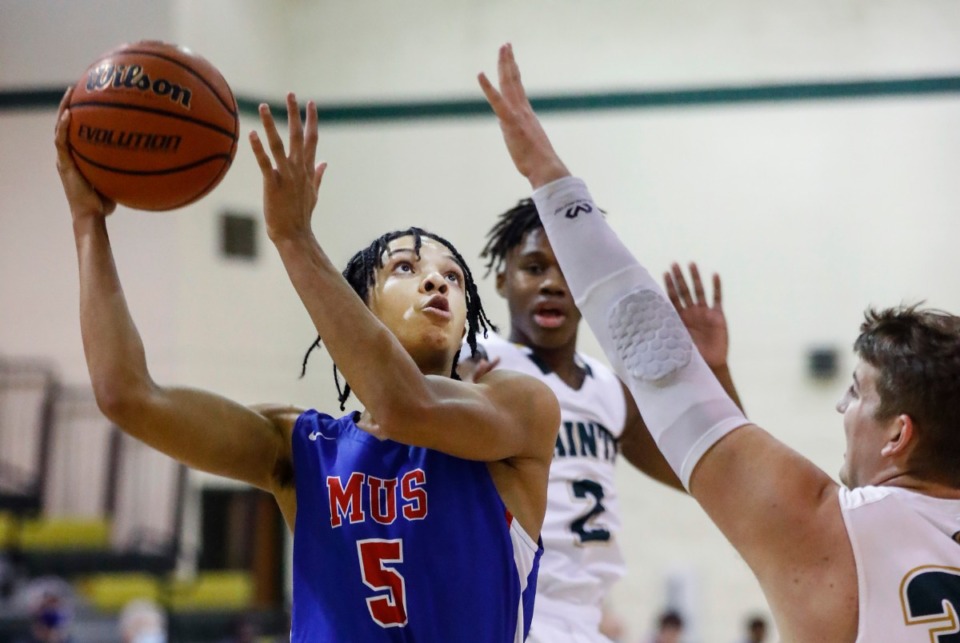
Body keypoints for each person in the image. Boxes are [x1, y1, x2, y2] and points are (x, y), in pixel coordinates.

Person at [480, 43, 960, 642]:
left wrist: (548, 176)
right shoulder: (479, 361)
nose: (842, 407)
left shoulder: (835, 531)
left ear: (899, 433)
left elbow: (690, 422)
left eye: (856, 392)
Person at [55, 86, 559, 641]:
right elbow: (127, 395)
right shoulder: (303, 451)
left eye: (453, 277)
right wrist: (88, 223)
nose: (436, 279)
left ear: (466, 322)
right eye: (404, 267)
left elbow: (404, 406)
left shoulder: (520, 409)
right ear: (357, 308)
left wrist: (294, 238)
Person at [460, 195, 741, 643]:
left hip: (585, 617)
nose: (553, 283)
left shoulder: (610, 388)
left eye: (570, 270)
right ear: (501, 280)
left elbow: (721, 477)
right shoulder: (476, 362)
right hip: (507, 609)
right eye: (534, 268)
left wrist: (712, 373)